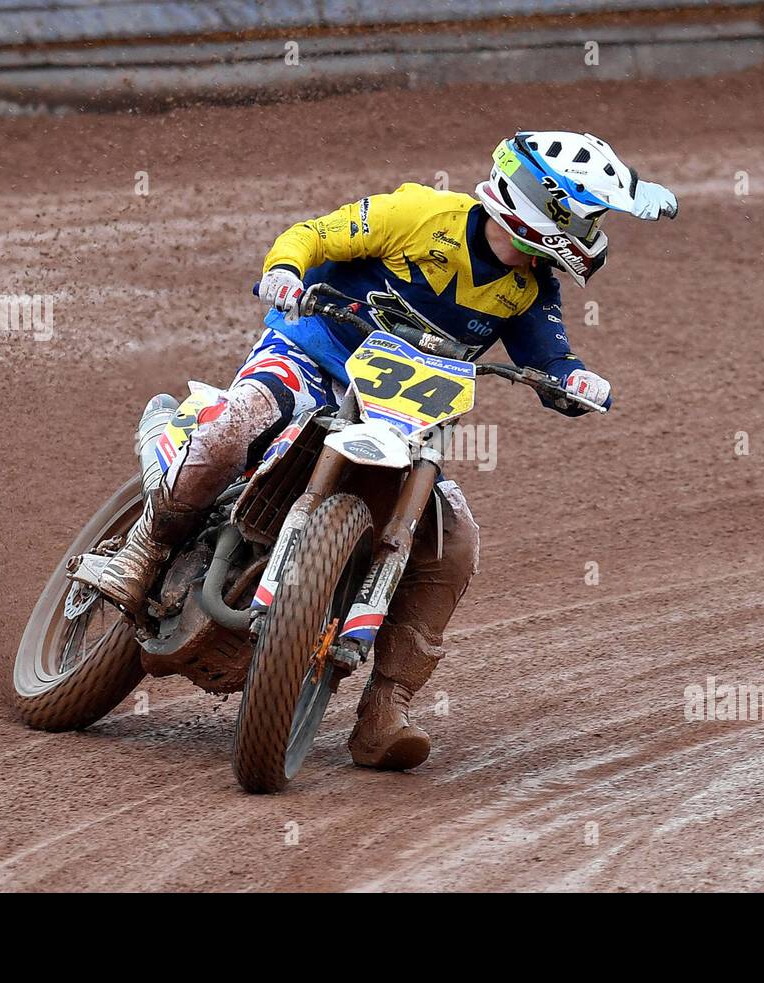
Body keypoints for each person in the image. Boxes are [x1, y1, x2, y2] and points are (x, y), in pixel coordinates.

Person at [97, 131, 678, 769]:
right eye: (588, 216)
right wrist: (285, 273)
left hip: (406, 412)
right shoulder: (420, 215)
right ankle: (143, 548)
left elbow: (548, 352)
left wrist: (573, 381)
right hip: (313, 357)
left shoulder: (531, 285)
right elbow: (313, 235)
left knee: (454, 543)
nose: (596, 232)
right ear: (550, 208)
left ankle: (385, 708)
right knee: (236, 428)